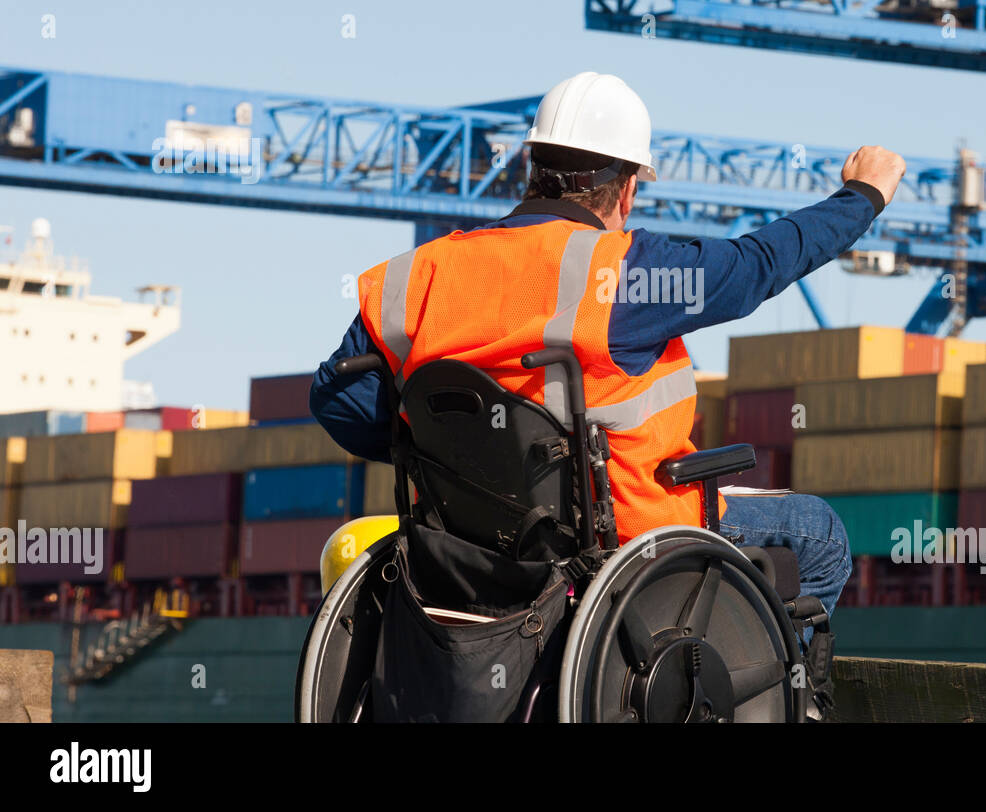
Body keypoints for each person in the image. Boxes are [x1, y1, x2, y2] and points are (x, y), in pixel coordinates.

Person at [310, 71, 906, 624]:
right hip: (624, 538)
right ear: (625, 191)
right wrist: (862, 197)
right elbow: (758, 264)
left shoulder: (413, 278)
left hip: (464, 541)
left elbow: (340, 402)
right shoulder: (623, 274)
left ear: (530, 167)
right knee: (819, 533)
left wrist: (466, 466)